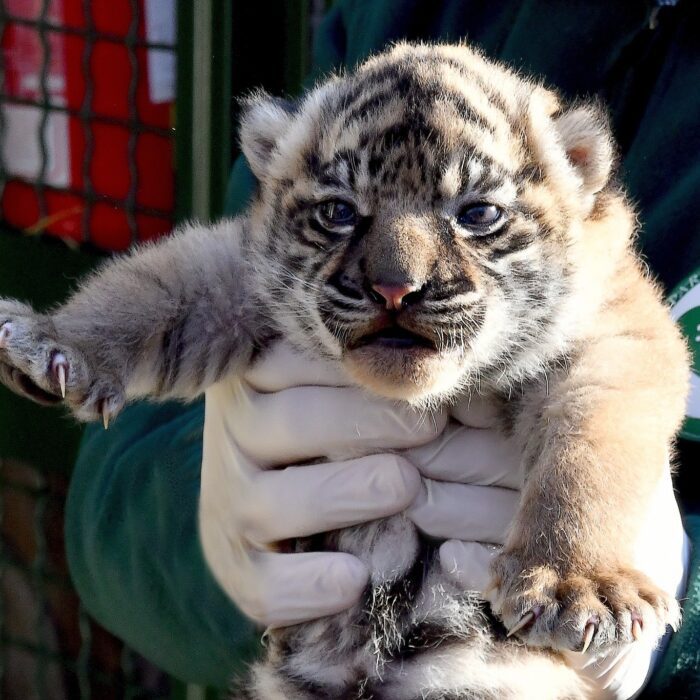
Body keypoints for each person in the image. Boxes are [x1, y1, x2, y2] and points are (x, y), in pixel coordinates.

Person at [65, 0, 700, 697]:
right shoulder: (397, 16)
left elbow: (630, 372)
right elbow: (111, 503)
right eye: (342, 211)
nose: (397, 282)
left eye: (478, 214)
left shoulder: (605, 296)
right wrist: (218, 521)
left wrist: (672, 608)